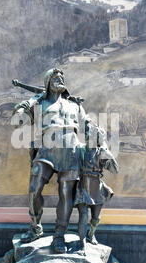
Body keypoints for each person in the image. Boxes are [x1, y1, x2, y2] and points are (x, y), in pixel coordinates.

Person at [12, 68, 89, 253]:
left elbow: (88, 126)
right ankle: (35, 227)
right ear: (47, 82)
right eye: (55, 78)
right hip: (47, 148)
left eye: (62, 77)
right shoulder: (39, 102)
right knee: (34, 188)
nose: (59, 80)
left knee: (66, 192)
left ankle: (59, 236)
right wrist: (23, 108)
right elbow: (19, 114)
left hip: (71, 149)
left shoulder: (75, 105)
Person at [74, 126, 119, 255]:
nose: (90, 138)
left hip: (96, 186)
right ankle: (82, 243)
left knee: (96, 218)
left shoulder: (101, 152)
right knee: (83, 216)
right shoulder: (80, 149)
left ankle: (91, 234)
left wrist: (107, 152)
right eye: (89, 135)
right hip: (82, 185)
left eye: (94, 136)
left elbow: (115, 170)